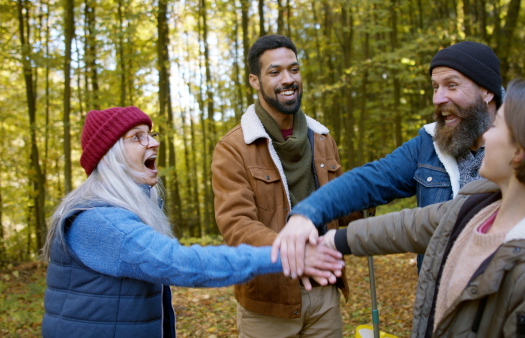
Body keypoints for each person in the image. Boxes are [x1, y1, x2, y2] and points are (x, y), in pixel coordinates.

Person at [322, 79, 525, 337]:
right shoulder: (482, 203)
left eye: (497, 126)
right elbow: (411, 225)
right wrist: (331, 241)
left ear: (520, 152)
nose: (486, 136)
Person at [41, 106, 343, 338]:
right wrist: (289, 255)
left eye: (151, 133)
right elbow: (181, 263)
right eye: (137, 137)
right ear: (110, 156)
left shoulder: (129, 209)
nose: (153, 143)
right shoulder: (101, 219)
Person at [273, 40, 503, 276]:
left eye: (451, 85)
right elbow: (371, 179)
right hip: (441, 299)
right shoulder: (430, 143)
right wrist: (307, 213)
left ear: (487, 91)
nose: (438, 99)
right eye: (435, 87)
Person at [212, 34, 360, 337]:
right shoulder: (234, 147)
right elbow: (236, 225)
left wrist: (371, 196)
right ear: (255, 81)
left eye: (294, 69)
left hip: (324, 294)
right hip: (269, 302)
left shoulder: (322, 138)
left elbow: (347, 210)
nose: (288, 79)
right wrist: (296, 256)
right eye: (275, 72)